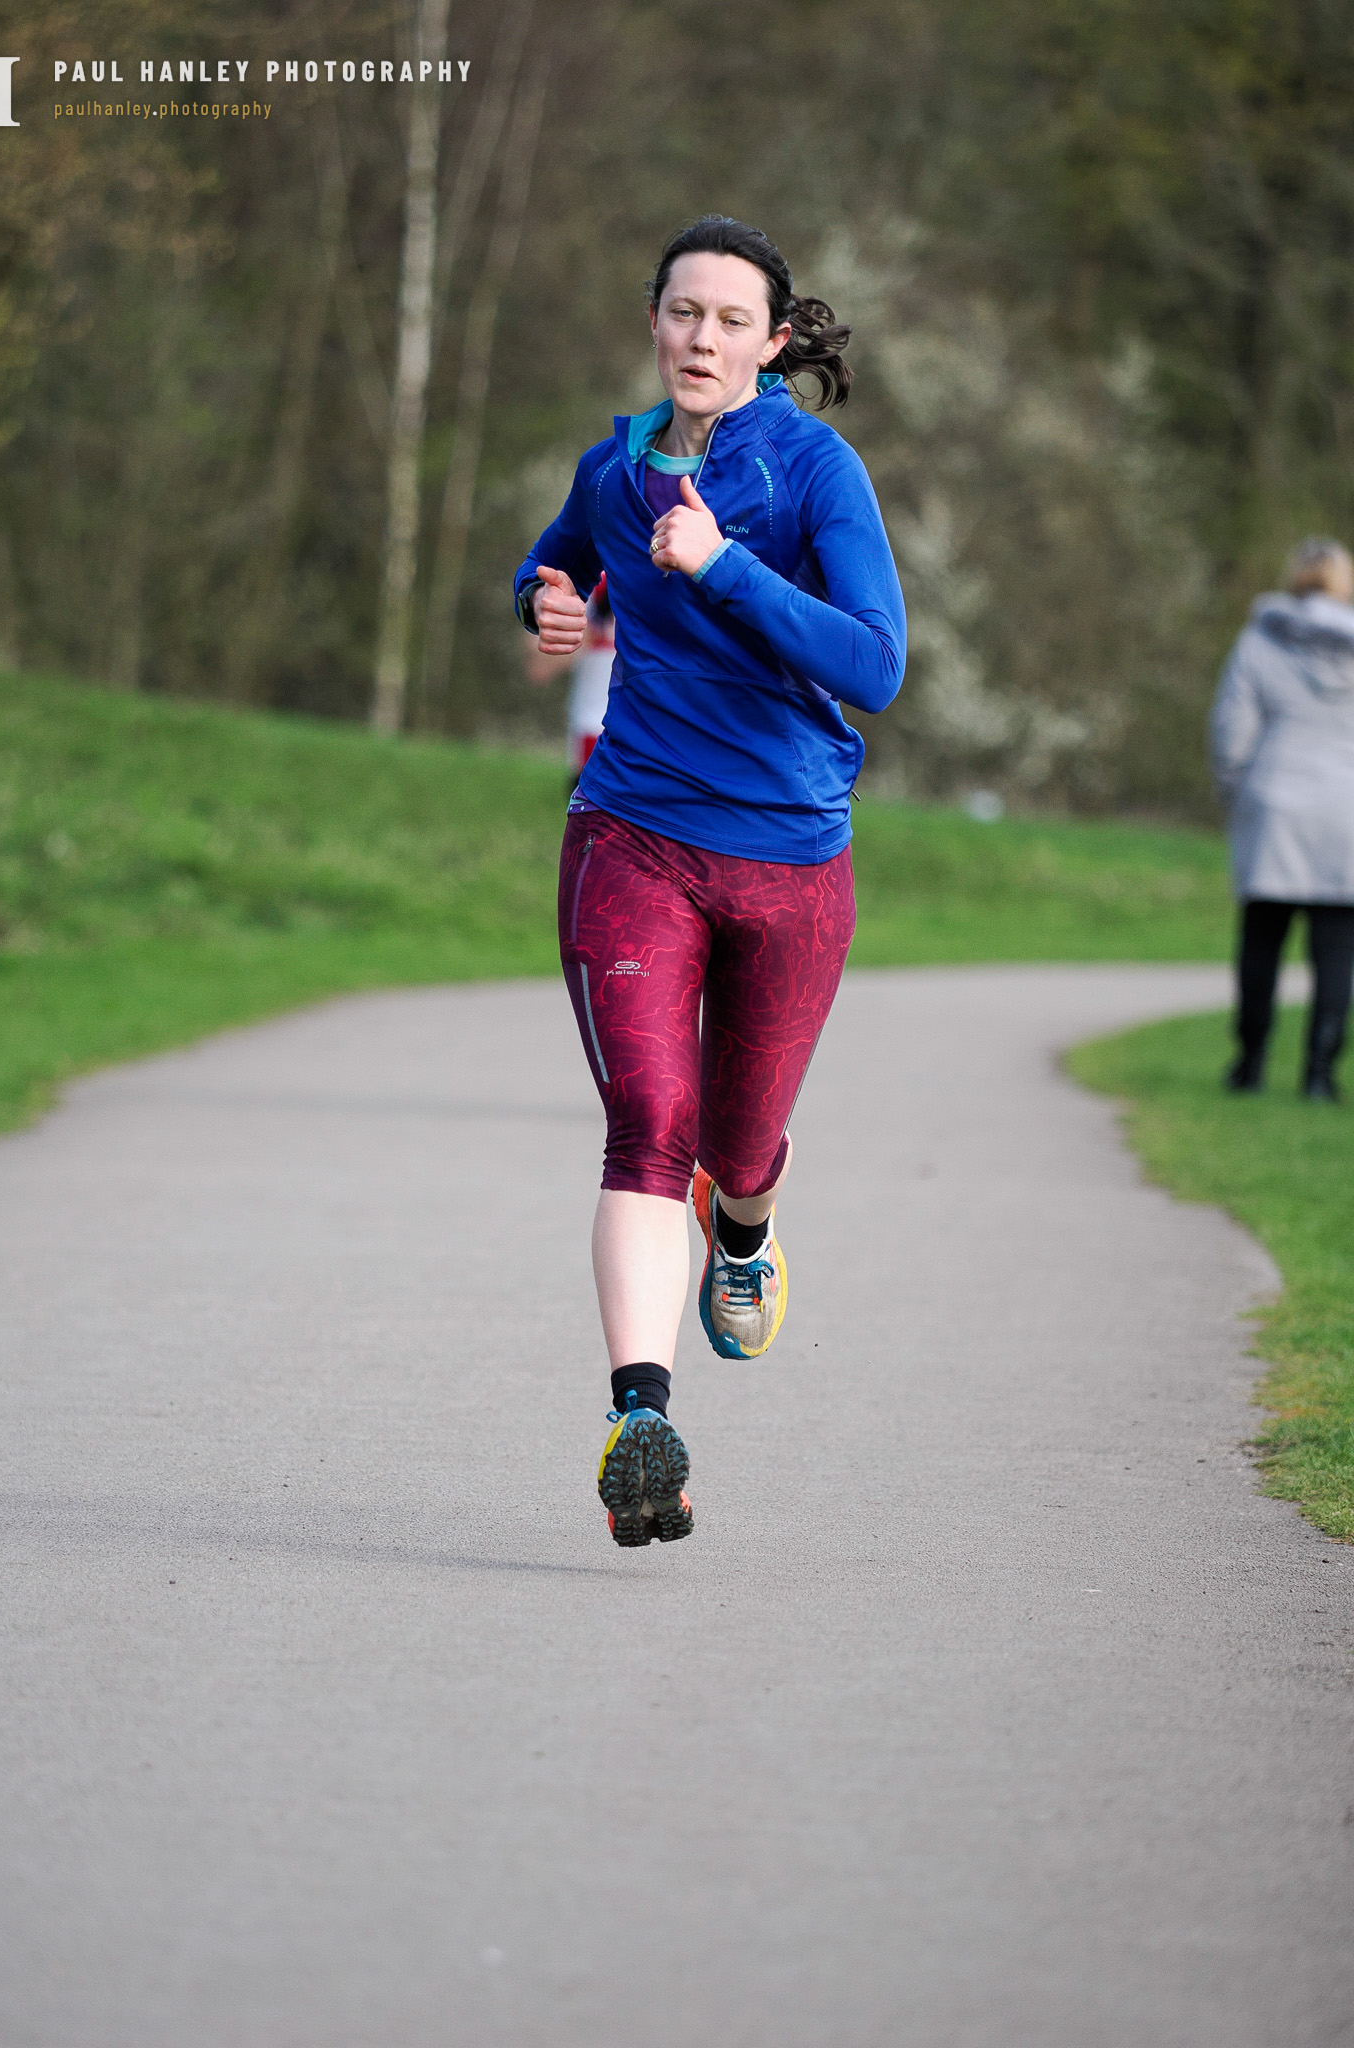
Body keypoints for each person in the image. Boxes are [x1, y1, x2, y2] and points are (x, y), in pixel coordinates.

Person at [513, 215, 906, 1548]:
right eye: (685, 313)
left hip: (792, 858)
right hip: (632, 836)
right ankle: (639, 1416)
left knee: (735, 1152)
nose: (703, 338)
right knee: (650, 1125)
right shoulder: (615, 466)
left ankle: (743, 1233)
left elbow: (875, 666)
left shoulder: (814, 470)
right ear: (654, 320)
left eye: (733, 321)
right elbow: (556, 556)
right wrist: (546, 601)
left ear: (773, 341)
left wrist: (724, 567)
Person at [1210, 536, 1354, 1103]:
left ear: (1294, 578)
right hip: (1347, 811)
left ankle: (1249, 1063)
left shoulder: (1261, 640)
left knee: (1262, 942)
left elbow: (1230, 729)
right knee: (1338, 950)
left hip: (1273, 805)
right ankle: (1319, 1074)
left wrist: (1239, 794)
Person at [523, 573, 615, 789]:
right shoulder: (588, 582)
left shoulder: (682, 572)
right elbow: (538, 669)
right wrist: (589, 628)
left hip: (655, 746)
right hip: (592, 743)